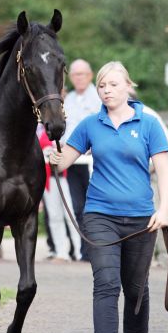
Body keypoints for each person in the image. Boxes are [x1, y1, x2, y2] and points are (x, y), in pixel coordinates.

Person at [50, 61, 168, 333]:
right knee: (106, 283)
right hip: (100, 215)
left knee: (136, 288)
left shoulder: (148, 124)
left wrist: (164, 209)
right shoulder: (91, 124)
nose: (106, 90)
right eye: (102, 85)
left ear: (128, 87)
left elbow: (163, 169)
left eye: (113, 85)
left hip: (141, 218)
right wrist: (54, 153)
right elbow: (65, 161)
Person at [129, 88, 168, 266]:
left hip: (167, 159)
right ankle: (159, 257)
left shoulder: (141, 114)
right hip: (157, 159)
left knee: (157, 210)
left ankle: (167, 257)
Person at [63, 59, 102, 261]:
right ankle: (85, 250)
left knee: (94, 206)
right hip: (74, 162)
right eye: (75, 74)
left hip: (93, 162)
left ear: (90, 75)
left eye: (82, 74)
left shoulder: (98, 97)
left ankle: (99, 249)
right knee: (78, 207)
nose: (78, 78)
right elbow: (66, 131)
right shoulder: (68, 99)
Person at [39, 130, 81, 261]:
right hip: (49, 179)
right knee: (54, 216)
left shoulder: (67, 133)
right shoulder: (43, 136)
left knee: (71, 215)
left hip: (65, 178)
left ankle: (80, 251)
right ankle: (61, 252)